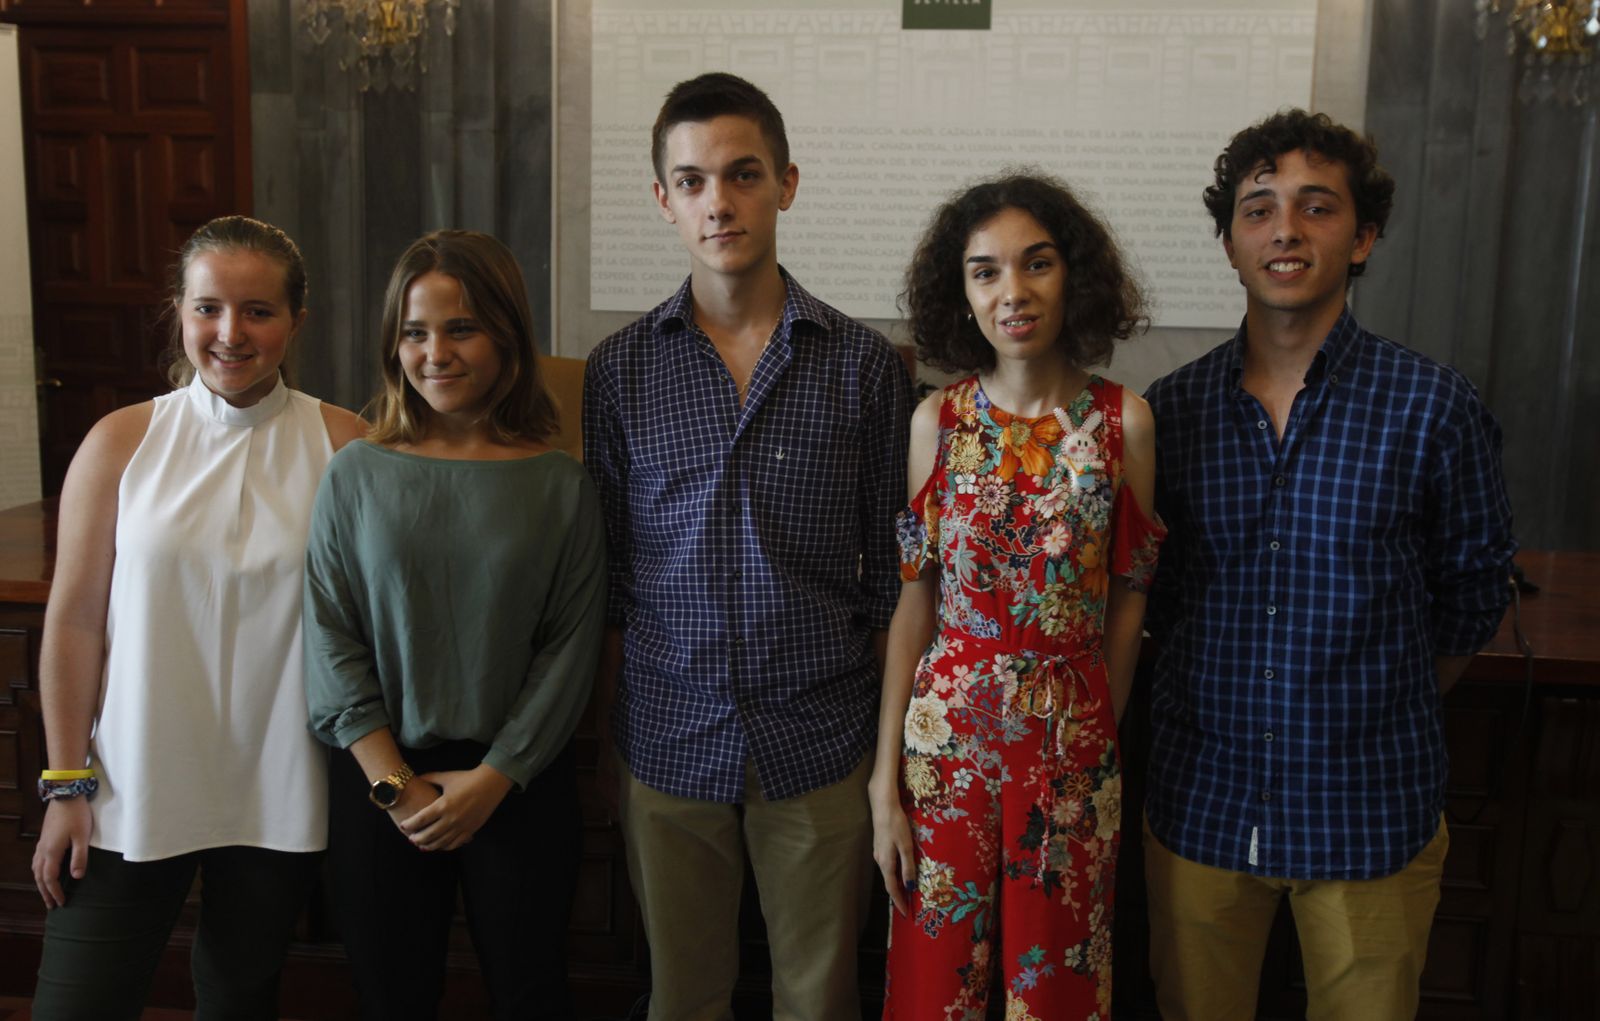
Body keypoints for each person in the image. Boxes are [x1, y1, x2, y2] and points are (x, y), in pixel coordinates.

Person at [1141, 109, 1517, 1020]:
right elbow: (1156, 599)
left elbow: (1472, 597)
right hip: (1204, 804)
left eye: (1317, 207)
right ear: (1229, 241)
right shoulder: (1170, 413)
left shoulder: (1433, 406)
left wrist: (1371, 701)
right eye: (1259, 208)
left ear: (1364, 236)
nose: (1285, 230)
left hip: (1368, 805)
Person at [583, 71, 913, 1021]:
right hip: (668, 735)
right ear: (663, 199)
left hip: (821, 735)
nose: (717, 202)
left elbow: (898, 582)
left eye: (741, 174)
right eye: (690, 181)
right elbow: (612, 572)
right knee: (682, 999)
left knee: (819, 999)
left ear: (787, 182)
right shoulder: (620, 370)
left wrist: (885, 761)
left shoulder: (861, 366)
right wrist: (610, 738)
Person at [28, 215, 366, 1020]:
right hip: (127, 779)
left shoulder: (346, 444)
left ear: (297, 322)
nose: (230, 333)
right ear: (179, 310)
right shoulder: (122, 440)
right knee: (74, 1005)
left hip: (279, 783)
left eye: (258, 311)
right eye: (209, 307)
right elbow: (74, 620)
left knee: (240, 999)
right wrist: (65, 783)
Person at [869, 173, 1165, 1020]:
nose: (1013, 292)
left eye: (1035, 264)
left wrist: (1094, 723)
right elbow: (914, 603)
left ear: (1071, 276)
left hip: (1071, 746)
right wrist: (884, 785)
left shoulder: (1123, 423)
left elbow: (1130, 599)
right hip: (946, 745)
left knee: (1060, 986)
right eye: (985, 271)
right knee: (936, 986)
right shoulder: (938, 421)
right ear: (960, 293)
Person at [302, 229, 605, 1021]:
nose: (434, 352)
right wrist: (393, 785)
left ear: (507, 331)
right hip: (380, 773)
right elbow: (330, 635)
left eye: (460, 327)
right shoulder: (356, 471)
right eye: (414, 331)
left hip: (517, 782)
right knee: (391, 998)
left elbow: (569, 648)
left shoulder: (560, 482)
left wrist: (499, 775)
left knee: (531, 993)